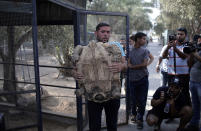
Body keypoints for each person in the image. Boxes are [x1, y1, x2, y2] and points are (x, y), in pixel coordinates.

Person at [73, 22, 126, 131]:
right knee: (94, 126)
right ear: (96, 33)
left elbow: (126, 64)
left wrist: (121, 66)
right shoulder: (85, 49)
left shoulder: (116, 47)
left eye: (108, 32)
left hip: (112, 94)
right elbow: (75, 68)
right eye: (103, 32)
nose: (106, 34)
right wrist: (75, 74)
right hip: (92, 94)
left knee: (112, 125)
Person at [162, 27, 191, 105]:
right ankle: (172, 112)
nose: (179, 36)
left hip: (183, 75)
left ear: (185, 35)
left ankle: (186, 111)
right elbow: (164, 56)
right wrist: (168, 48)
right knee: (171, 93)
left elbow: (184, 56)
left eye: (181, 34)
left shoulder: (188, 46)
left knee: (184, 93)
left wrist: (175, 48)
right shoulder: (171, 45)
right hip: (171, 74)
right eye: (178, 34)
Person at [128, 32, 150, 129]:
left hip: (143, 79)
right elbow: (127, 64)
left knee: (142, 100)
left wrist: (132, 67)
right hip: (132, 79)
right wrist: (131, 66)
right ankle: (133, 114)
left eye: (145, 39)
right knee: (133, 99)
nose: (145, 41)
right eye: (143, 39)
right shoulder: (129, 50)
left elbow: (144, 64)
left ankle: (140, 119)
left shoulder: (145, 51)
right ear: (138, 39)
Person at [185, 35, 201, 131]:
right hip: (193, 81)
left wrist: (194, 53)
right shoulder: (197, 50)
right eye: (198, 40)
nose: (198, 41)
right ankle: (194, 124)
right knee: (195, 104)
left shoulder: (197, 52)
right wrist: (191, 54)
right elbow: (189, 64)